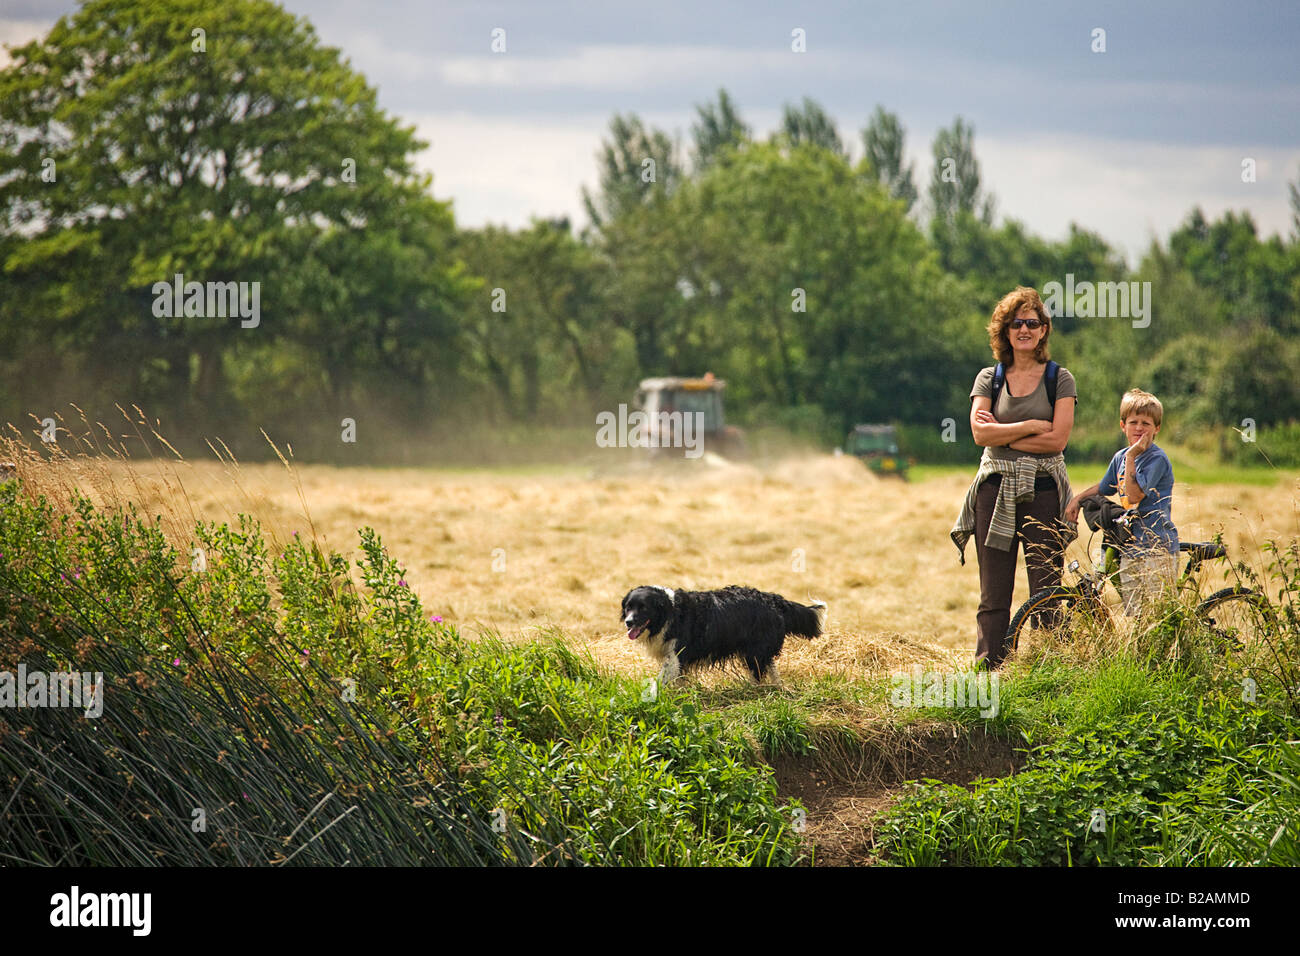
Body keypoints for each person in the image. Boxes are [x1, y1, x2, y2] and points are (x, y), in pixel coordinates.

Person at [951, 287, 1077, 669]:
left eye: (1032, 323)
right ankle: (991, 671)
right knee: (993, 592)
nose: (1024, 329)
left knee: (1046, 590)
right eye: (1016, 323)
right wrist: (1030, 426)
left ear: (1043, 331)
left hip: (1043, 491)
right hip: (995, 491)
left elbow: (1057, 440)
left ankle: (1046, 669)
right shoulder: (989, 378)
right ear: (1005, 331)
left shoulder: (1060, 379)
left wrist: (1005, 432)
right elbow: (979, 436)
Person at [1065, 389, 1178, 617]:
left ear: (1156, 428)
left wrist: (1131, 457)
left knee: (1157, 617)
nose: (1139, 428)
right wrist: (1078, 499)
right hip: (1131, 545)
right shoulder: (1120, 457)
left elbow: (1135, 495)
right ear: (1122, 425)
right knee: (1136, 614)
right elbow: (1105, 487)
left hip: (1156, 546)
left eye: (1146, 423)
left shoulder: (1156, 459)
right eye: (1133, 422)